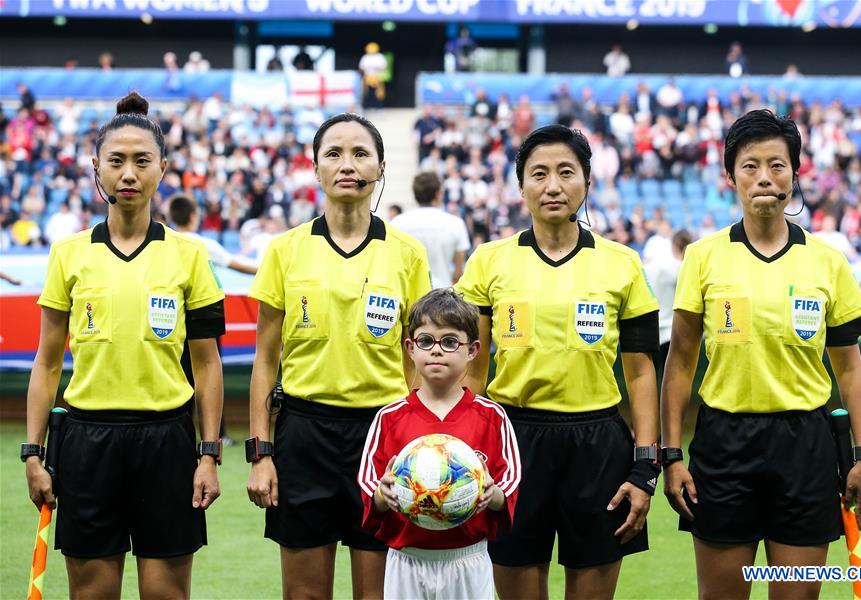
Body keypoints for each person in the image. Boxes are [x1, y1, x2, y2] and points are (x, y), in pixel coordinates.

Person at [662, 109, 861, 600]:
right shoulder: (703, 256)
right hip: (724, 446)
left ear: (794, 175)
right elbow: (680, 365)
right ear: (730, 175)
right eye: (750, 164)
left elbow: (849, 367)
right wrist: (671, 456)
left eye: (777, 164)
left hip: (807, 448)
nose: (764, 176)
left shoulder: (828, 262)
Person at [24, 91, 225, 599]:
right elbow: (47, 362)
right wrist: (32, 453)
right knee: (90, 595)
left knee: (165, 595)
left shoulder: (190, 256)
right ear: (96, 168)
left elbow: (207, 366)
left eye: (142, 161)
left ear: (163, 167)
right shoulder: (68, 254)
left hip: (167, 442)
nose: (128, 173)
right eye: (116, 161)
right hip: (87, 443)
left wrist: (208, 455)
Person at [456, 125, 661, 600]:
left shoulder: (623, 263)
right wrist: (465, 450)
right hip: (513, 442)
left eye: (566, 173)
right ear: (520, 185)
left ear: (587, 183)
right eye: (539, 174)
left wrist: (644, 467)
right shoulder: (488, 262)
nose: (553, 186)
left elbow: (641, 372)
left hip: (598, 445)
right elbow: (473, 368)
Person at [246, 113, 432, 599]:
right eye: (334, 153)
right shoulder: (284, 250)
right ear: (315, 169)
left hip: (383, 437)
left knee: (376, 596)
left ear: (381, 166)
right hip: (303, 436)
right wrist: (261, 452)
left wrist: (419, 443)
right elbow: (266, 360)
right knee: (305, 595)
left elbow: (419, 359)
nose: (347, 164)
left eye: (360, 153)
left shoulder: (407, 253)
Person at [358, 288, 521, 599]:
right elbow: (369, 487)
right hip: (407, 559)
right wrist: (383, 493)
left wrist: (493, 493)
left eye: (449, 342)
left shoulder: (493, 417)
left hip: (468, 559)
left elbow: (510, 485)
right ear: (410, 347)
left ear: (473, 350)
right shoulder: (388, 418)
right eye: (425, 341)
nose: (436, 351)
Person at [169, 194, 257, 446]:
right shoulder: (202, 244)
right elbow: (237, 265)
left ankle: (181, 430)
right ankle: (218, 435)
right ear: (194, 216)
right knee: (209, 373)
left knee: (180, 377)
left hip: (171, 321)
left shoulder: (165, 243)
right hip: (203, 317)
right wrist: (272, 268)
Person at [391, 171, 471, 289]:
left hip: (410, 294)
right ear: (438, 194)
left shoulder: (397, 223)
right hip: (444, 295)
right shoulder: (455, 223)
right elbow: (459, 271)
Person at [643, 229, 692, 374]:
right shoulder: (685, 269)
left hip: (655, 330)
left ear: (672, 246)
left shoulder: (653, 268)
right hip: (675, 332)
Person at [359, 42, 388, 109]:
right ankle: (366, 107)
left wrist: (376, 67)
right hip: (367, 78)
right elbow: (361, 67)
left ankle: (379, 107)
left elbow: (384, 66)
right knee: (366, 93)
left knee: (378, 93)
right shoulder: (365, 57)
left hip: (377, 77)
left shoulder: (380, 56)